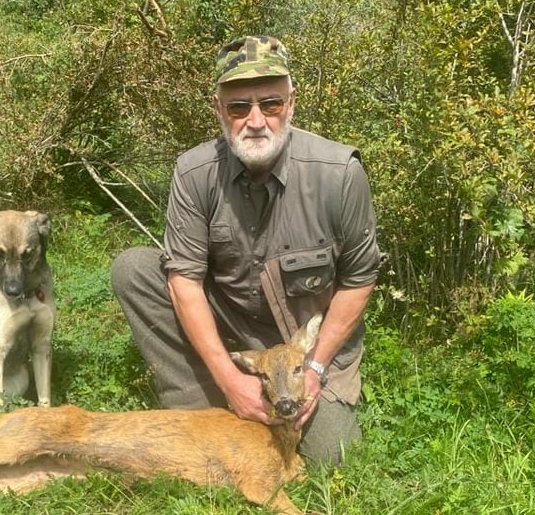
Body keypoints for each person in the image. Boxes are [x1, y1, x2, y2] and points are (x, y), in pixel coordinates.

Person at [111, 35, 381, 466]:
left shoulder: (339, 174)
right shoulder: (194, 172)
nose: (255, 120)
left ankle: (270, 401)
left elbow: (359, 280)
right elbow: (185, 280)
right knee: (135, 270)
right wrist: (228, 375)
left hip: (304, 344)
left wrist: (313, 370)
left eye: (270, 104)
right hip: (231, 324)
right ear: (219, 110)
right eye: (239, 107)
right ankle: (200, 398)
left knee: (334, 455)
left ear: (291, 104)